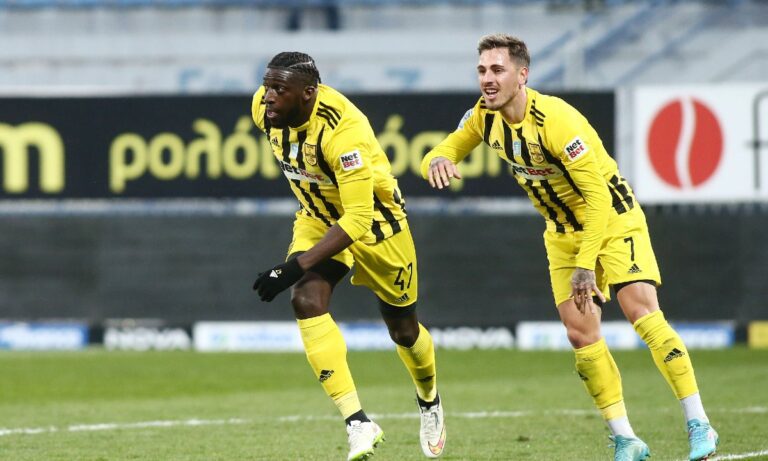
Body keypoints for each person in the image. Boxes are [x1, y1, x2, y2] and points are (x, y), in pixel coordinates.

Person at [420, 34, 718, 461]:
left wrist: (585, 265)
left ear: (522, 75)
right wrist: (436, 159)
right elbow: (447, 147)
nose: (487, 79)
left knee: (641, 311)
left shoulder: (557, 121)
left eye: (498, 69)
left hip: (613, 219)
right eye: (482, 70)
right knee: (580, 333)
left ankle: (698, 422)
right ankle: (626, 439)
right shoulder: (483, 117)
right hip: (561, 232)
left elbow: (597, 199)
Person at [251, 51, 446, 461]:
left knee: (404, 331)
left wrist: (293, 266)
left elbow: (357, 218)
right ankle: (358, 422)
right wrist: (299, 272)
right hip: (317, 218)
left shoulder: (344, 134)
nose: (267, 97)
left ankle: (428, 398)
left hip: (378, 226)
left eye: (278, 90)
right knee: (305, 299)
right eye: (267, 86)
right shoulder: (264, 110)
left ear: (308, 93)